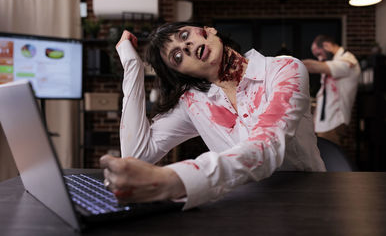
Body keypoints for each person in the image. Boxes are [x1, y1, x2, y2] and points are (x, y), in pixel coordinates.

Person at [100, 22, 326, 210]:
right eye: (177, 56)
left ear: (209, 30)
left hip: (305, 202)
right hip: (241, 208)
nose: (186, 46)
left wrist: (174, 180)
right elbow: (136, 155)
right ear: (182, 74)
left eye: (185, 35)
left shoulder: (285, 69)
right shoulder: (194, 102)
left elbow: (265, 147)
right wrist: (132, 68)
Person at [302, 35, 361, 146]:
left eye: (319, 53)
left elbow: (315, 67)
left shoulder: (347, 60)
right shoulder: (333, 62)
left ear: (327, 45)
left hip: (334, 123)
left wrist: (291, 64)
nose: (320, 58)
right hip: (323, 124)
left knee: (329, 160)